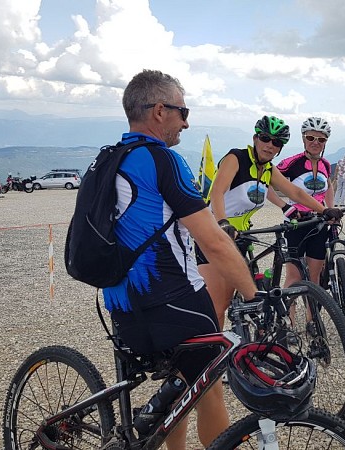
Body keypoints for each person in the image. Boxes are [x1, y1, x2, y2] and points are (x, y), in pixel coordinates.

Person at [103, 69, 258, 449]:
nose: (186, 123)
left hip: (121, 306)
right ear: (159, 111)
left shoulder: (109, 158)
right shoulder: (163, 161)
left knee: (182, 387)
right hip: (171, 300)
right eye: (183, 112)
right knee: (211, 381)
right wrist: (255, 296)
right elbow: (215, 241)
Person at [198, 115, 342, 328]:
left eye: (276, 142)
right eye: (265, 138)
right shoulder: (236, 158)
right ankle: (212, 352)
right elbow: (217, 192)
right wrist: (222, 222)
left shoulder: (267, 169)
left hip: (241, 235)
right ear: (256, 138)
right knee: (217, 304)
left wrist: (324, 210)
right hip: (215, 233)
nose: (270, 145)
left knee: (227, 299)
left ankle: (224, 345)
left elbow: (294, 191)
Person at [268, 116, 337, 292]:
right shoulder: (292, 163)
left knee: (315, 277)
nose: (315, 142)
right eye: (310, 138)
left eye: (321, 139)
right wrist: (284, 206)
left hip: (318, 223)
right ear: (303, 138)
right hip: (296, 223)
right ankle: (288, 319)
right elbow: (264, 182)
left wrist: (331, 209)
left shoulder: (325, 164)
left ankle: (311, 318)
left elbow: (328, 186)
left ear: (325, 142)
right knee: (294, 276)